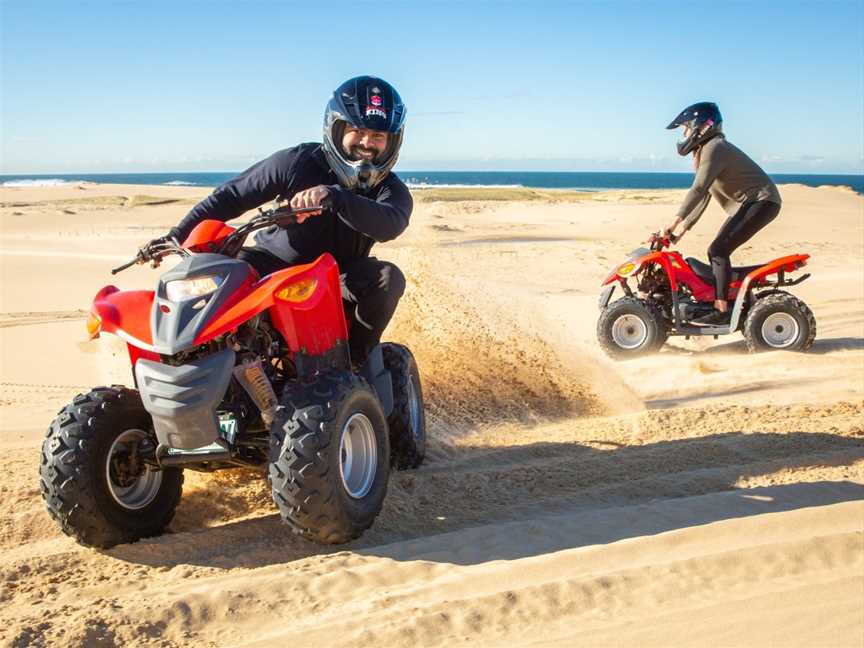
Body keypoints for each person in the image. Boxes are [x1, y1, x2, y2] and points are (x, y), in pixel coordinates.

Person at [152, 75, 411, 365]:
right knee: (210, 274)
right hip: (268, 267)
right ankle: (186, 364)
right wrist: (177, 234)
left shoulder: (390, 189)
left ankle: (353, 366)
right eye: (357, 130)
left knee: (388, 278)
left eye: (378, 136)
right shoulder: (297, 162)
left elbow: (391, 223)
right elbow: (230, 197)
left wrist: (334, 196)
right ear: (336, 129)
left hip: (335, 279)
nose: (367, 143)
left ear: (392, 142)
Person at [662, 102, 781, 325]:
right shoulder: (708, 150)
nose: (684, 134)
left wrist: (673, 222)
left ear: (701, 127)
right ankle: (729, 299)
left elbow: (697, 189)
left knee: (718, 249)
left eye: (686, 129)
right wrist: (680, 232)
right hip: (754, 203)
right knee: (718, 250)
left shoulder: (715, 148)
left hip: (761, 202)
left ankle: (721, 309)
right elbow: (704, 196)